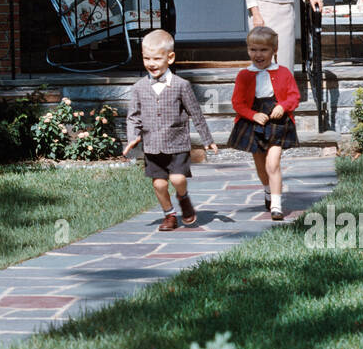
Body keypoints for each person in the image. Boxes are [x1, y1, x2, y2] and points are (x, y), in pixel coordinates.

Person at [122, 29, 218, 231]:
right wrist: (133, 137)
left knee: (177, 179)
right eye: (147, 58)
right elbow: (133, 116)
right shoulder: (139, 87)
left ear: (170, 58)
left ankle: (183, 198)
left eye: (157, 58)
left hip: (177, 144)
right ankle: (169, 215)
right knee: (159, 185)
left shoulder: (181, 85)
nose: (151, 63)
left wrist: (207, 139)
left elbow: (196, 113)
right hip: (152, 146)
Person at [229, 25, 299, 221]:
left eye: (263, 50)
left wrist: (283, 106)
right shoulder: (244, 75)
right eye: (253, 50)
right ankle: (268, 190)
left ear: (274, 51)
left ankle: (276, 205)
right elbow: (237, 102)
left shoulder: (284, 72)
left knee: (273, 163)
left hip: (278, 120)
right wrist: (252, 115)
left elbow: (294, 96)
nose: (258, 55)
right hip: (254, 121)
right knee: (261, 166)